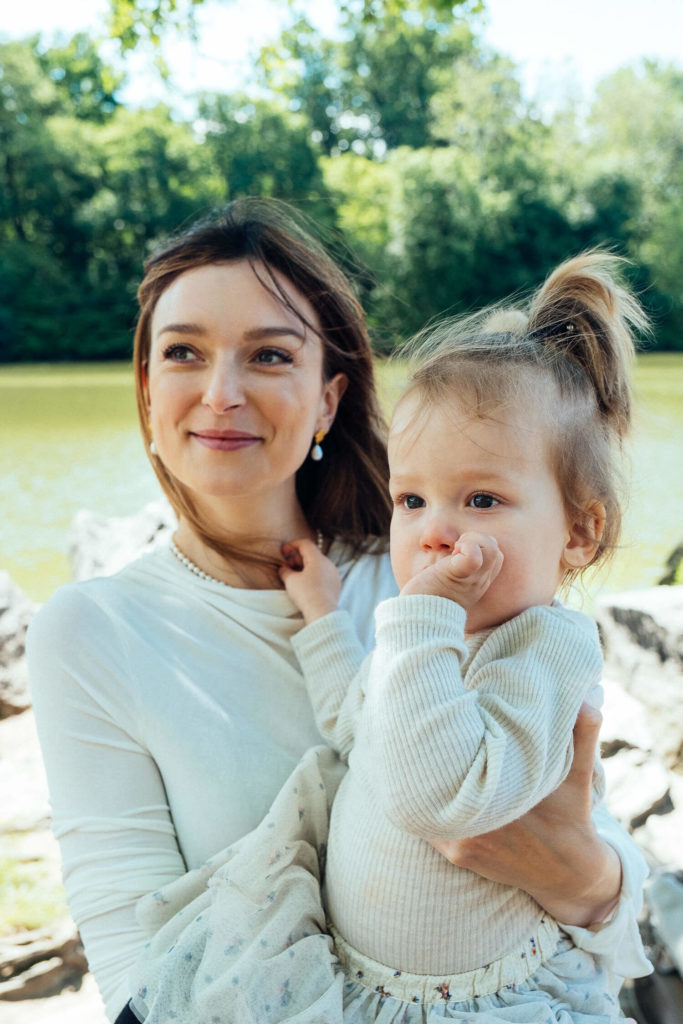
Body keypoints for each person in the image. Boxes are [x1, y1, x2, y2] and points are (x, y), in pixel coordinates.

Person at [25, 201, 648, 1023]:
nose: (220, 393)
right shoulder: (90, 629)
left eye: (269, 354)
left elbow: (606, 919)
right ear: (146, 391)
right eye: (182, 353)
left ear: (328, 398)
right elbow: (143, 968)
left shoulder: (456, 572)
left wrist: (585, 876)